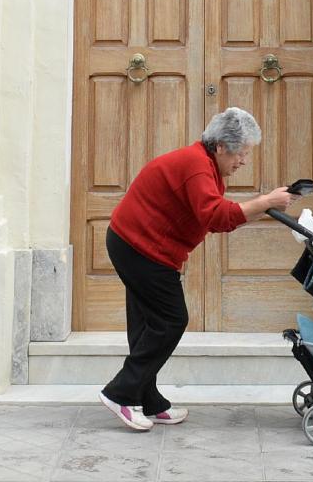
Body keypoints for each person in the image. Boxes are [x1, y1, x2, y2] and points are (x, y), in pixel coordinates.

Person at [99, 106, 293, 431]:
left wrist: (267, 206)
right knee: (171, 320)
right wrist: (264, 202)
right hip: (140, 247)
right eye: (240, 153)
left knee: (149, 325)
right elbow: (216, 216)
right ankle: (120, 393)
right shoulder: (197, 167)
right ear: (220, 146)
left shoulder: (205, 166)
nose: (243, 161)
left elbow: (217, 219)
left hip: (136, 244)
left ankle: (147, 400)